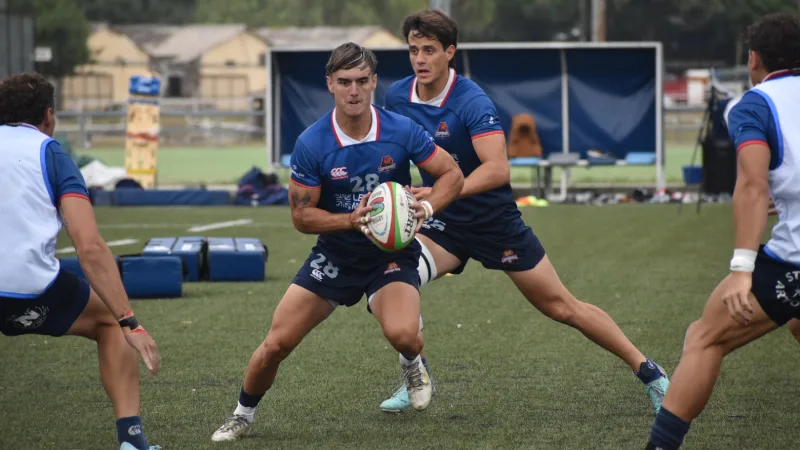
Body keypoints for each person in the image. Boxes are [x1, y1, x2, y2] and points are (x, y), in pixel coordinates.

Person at [376, 9, 670, 415]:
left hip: (493, 223)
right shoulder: (397, 97)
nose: (420, 59)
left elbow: (498, 169)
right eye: (413, 50)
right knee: (393, 280)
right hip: (441, 222)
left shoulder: (471, 101)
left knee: (562, 307)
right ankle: (415, 371)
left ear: (450, 52)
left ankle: (651, 373)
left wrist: (443, 192)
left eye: (429, 50)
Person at [210, 42, 464, 442]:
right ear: (330, 83)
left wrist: (426, 209)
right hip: (336, 254)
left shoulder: (400, 130)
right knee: (276, 344)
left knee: (404, 334)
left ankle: (413, 364)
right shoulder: (313, 143)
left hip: (391, 254)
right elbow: (301, 216)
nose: (354, 91)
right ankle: (242, 416)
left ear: (374, 82)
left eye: (362, 80)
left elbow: (452, 175)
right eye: (345, 82)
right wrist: (350, 220)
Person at [645, 12, 800, 449]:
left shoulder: (753, 104)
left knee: (704, 339)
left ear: (753, 58)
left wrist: (742, 269)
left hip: (793, 261)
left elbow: (751, 185)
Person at [0, 73, 161, 450]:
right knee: (110, 322)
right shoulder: (51, 153)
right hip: (28, 288)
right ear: (49, 115)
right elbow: (88, 247)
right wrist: (130, 321)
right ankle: (132, 441)